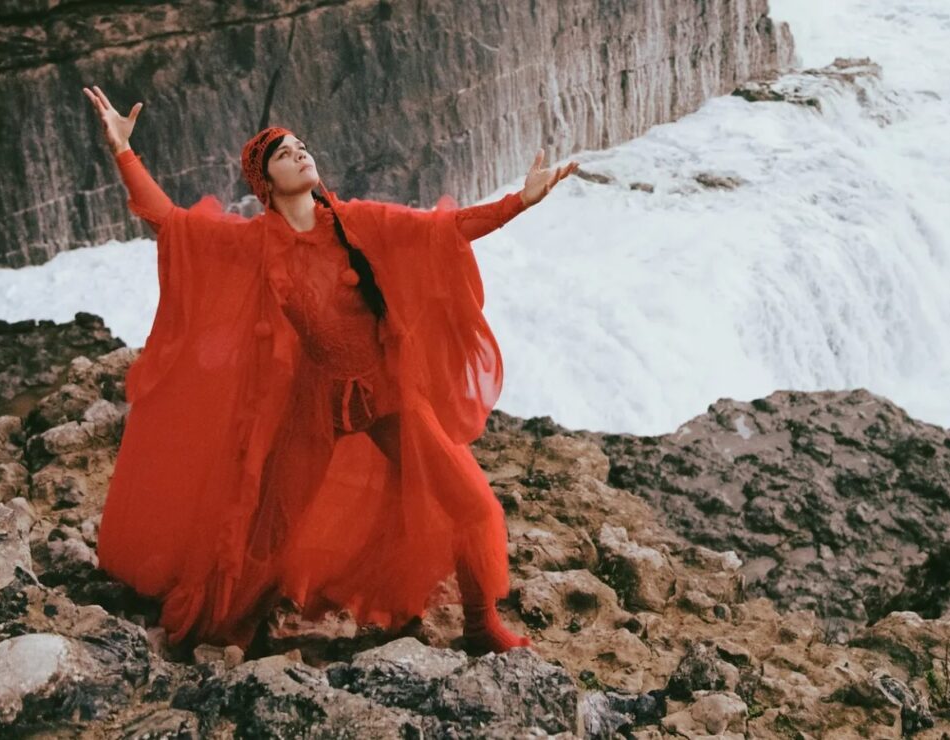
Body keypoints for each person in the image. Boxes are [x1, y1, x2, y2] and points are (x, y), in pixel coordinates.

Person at [82, 85, 578, 656]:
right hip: (313, 404)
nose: (300, 153)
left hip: (387, 393)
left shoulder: (356, 222)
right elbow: (170, 223)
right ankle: (235, 626)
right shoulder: (256, 243)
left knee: (472, 504)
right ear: (265, 182)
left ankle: (480, 625)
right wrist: (123, 151)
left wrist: (520, 201)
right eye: (283, 152)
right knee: (268, 532)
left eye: (302, 146)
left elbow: (446, 229)